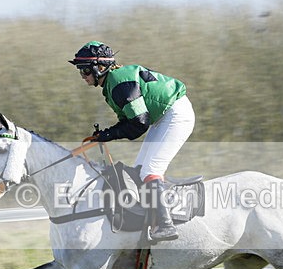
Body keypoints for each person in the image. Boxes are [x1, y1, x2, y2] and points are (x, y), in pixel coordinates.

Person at [69, 41, 195, 242]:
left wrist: (109, 135)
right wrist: (107, 134)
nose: (83, 76)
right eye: (80, 72)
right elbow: (131, 121)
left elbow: (138, 124)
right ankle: (152, 217)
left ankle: (166, 225)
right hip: (164, 116)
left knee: (149, 171)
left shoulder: (119, 84)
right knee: (140, 169)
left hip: (175, 115)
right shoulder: (113, 83)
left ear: (100, 68)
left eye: (85, 71)